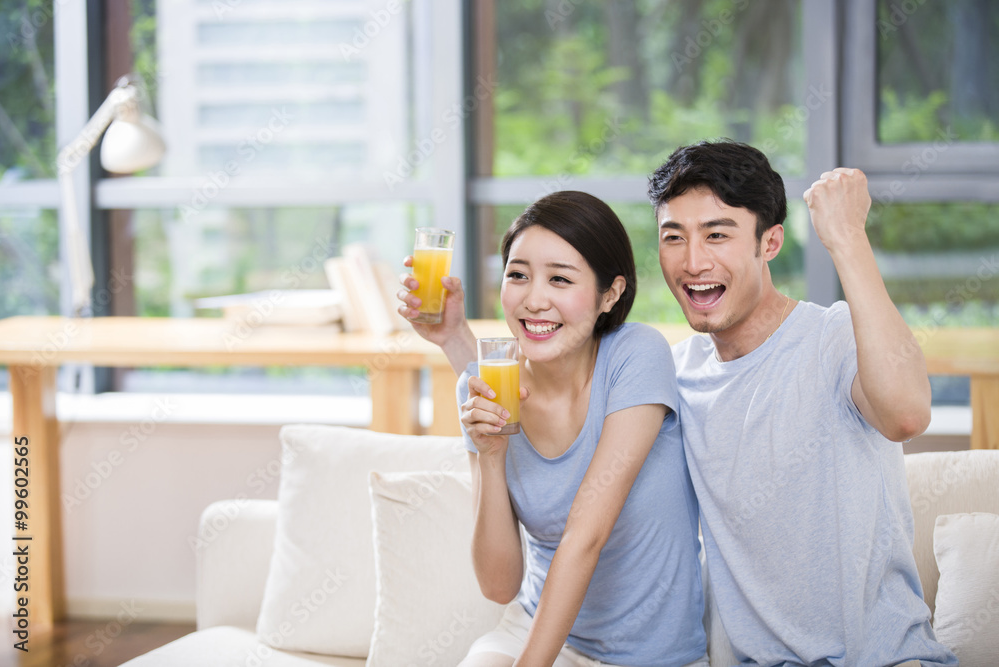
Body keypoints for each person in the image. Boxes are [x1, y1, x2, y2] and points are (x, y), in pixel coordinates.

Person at [647, 139, 957, 666]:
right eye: (674, 237)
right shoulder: (676, 376)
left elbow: (906, 414)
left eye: (717, 235)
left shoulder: (833, 338)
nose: (693, 261)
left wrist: (847, 238)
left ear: (769, 244)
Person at [398, 191, 708, 667]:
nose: (534, 299)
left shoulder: (636, 357)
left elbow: (586, 535)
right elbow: (499, 585)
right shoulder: (483, 389)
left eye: (560, 279)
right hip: (535, 630)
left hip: (652, 656)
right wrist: (491, 454)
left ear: (611, 293)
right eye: (517, 275)